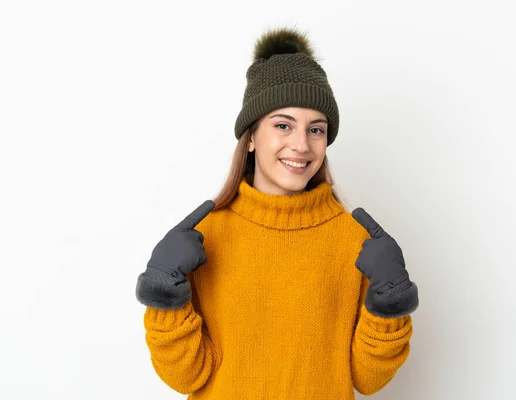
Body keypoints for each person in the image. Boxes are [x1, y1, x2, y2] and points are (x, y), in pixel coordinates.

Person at [135, 26, 419, 399]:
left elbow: (368, 379)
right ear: (251, 137)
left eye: (316, 129)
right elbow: (185, 377)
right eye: (283, 125)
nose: (301, 145)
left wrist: (389, 305)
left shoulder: (356, 244)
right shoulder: (205, 238)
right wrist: (163, 294)